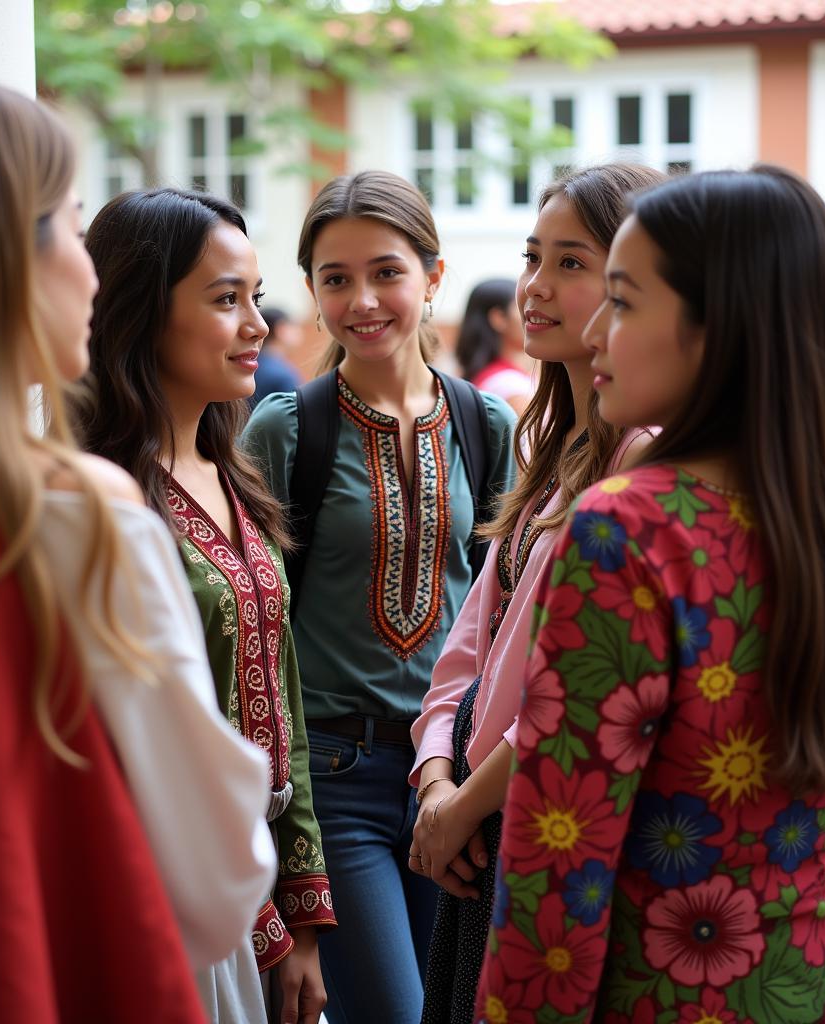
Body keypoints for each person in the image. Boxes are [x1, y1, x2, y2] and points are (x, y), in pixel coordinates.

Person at [0, 74, 276, 1022]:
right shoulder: (78, 521)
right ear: (2, 260)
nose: (93, 268)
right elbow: (214, 876)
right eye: (73, 228)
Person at [474, 165, 825, 1023]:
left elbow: (556, 867)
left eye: (624, 300)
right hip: (814, 977)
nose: (596, 329)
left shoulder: (629, 529)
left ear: (716, 327)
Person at [243, 170, 518, 1024]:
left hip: (453, 780)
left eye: (387, 272)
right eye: (335, 278)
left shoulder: (487, 426)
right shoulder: (287, 430)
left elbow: (499, 618)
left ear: (433, 276)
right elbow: (258, 629)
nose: (362, 299)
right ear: (312, 290)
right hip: (336, 784)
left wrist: (466, 780)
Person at [71, 187, 335, 1024]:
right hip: (167, 888)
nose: (258, 323)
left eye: (254, 296)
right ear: (143, 311)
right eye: (226, 300)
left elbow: (282, 706)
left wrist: (302, 914)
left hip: (256, 893)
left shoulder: (237, 481)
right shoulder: (101, 502)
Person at [409, 164, 663, 1024]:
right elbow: (471, 641)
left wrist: (463, 804)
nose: (535, 287)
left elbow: (578, 687)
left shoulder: (642, 459)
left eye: (572, 263)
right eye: (531, 257)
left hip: (530, 816)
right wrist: (435, 772)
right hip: (478, 811)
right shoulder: (555, 444)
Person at [455, 278, 534, 416]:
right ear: (499, 318)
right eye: (524, 308)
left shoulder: (481, 377)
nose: (533, 317)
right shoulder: (510, 386)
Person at [251, 306, 302, 407]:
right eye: (293, 326)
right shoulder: (282, 374)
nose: (299, 332)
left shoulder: (250, 365)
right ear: (281, 329)